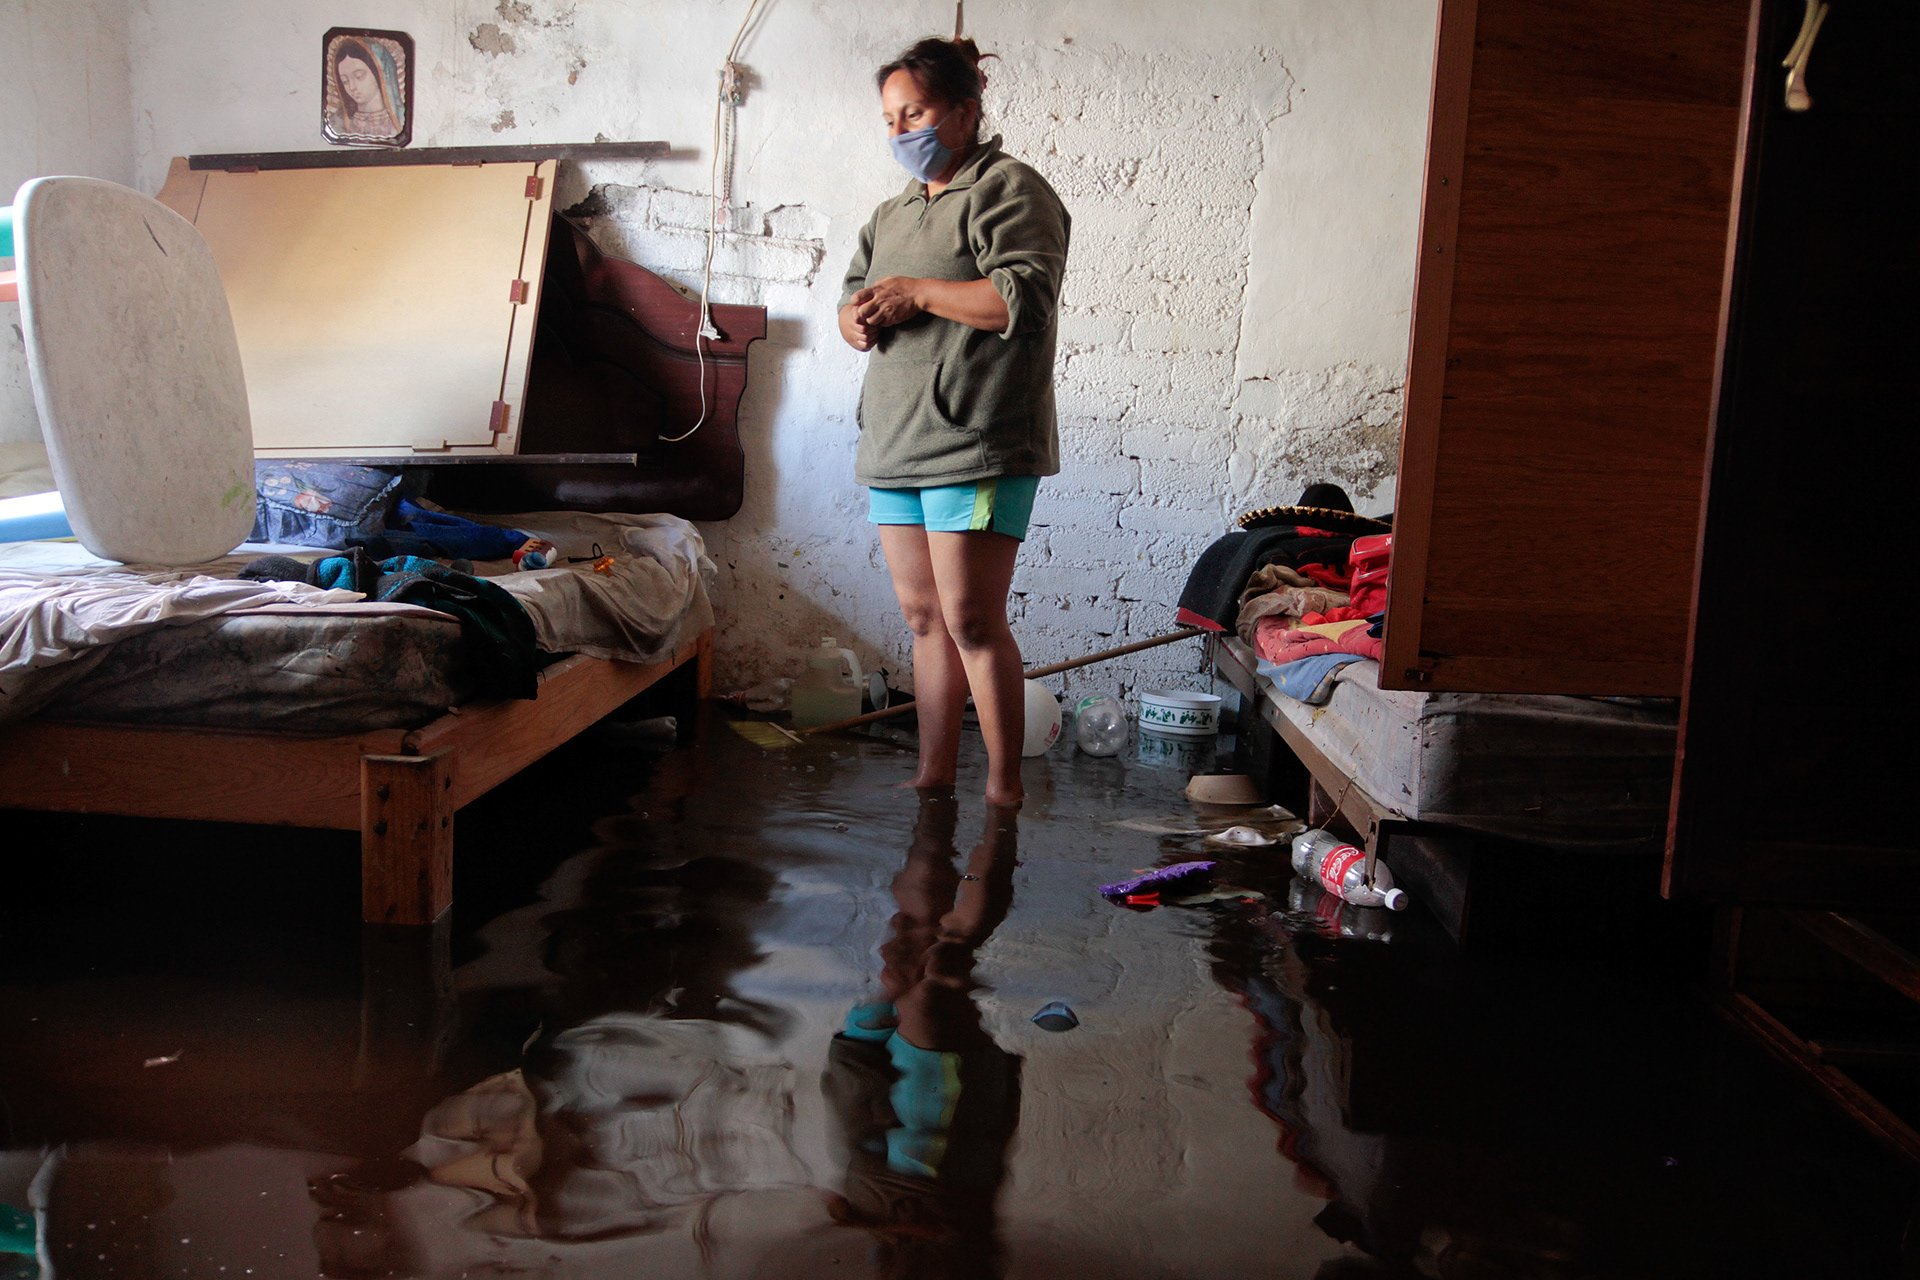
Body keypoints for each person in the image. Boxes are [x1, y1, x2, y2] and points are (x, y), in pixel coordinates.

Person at [839, 37, 1071, 808]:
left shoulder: (1009, 189)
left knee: (971, 619)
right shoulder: (890, 214)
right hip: (897, 441)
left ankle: (1004, 787)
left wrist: (921, 291)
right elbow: (851, 300)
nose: (902, 129)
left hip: (975, 441)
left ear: (966, 112)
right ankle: (934, 771)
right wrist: (859, 320)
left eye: (917, 112)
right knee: (923, 618)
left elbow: (1020, 300)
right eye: (890, 118)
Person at [329, 37, 400, 140]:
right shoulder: (337, 124)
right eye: (345, 81)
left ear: (380, 75)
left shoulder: (399, 122)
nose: (352, 87)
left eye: (359, 76)